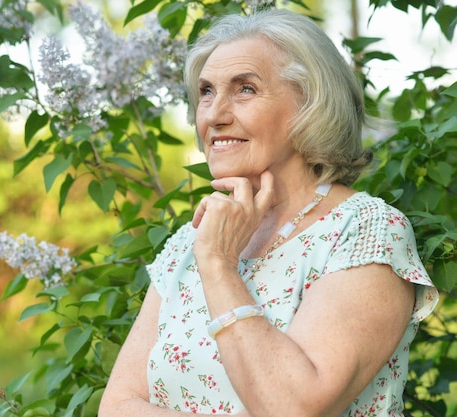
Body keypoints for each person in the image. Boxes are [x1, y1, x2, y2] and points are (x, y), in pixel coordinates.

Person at [98, 7, 438, 417]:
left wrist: (220, 267)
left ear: (311, 103)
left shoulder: (365, 230)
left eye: (245, 89)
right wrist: (211, 252)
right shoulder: (192, 240)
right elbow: (116, 406)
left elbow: (293, 407)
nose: (215, 115)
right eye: (206, 91)